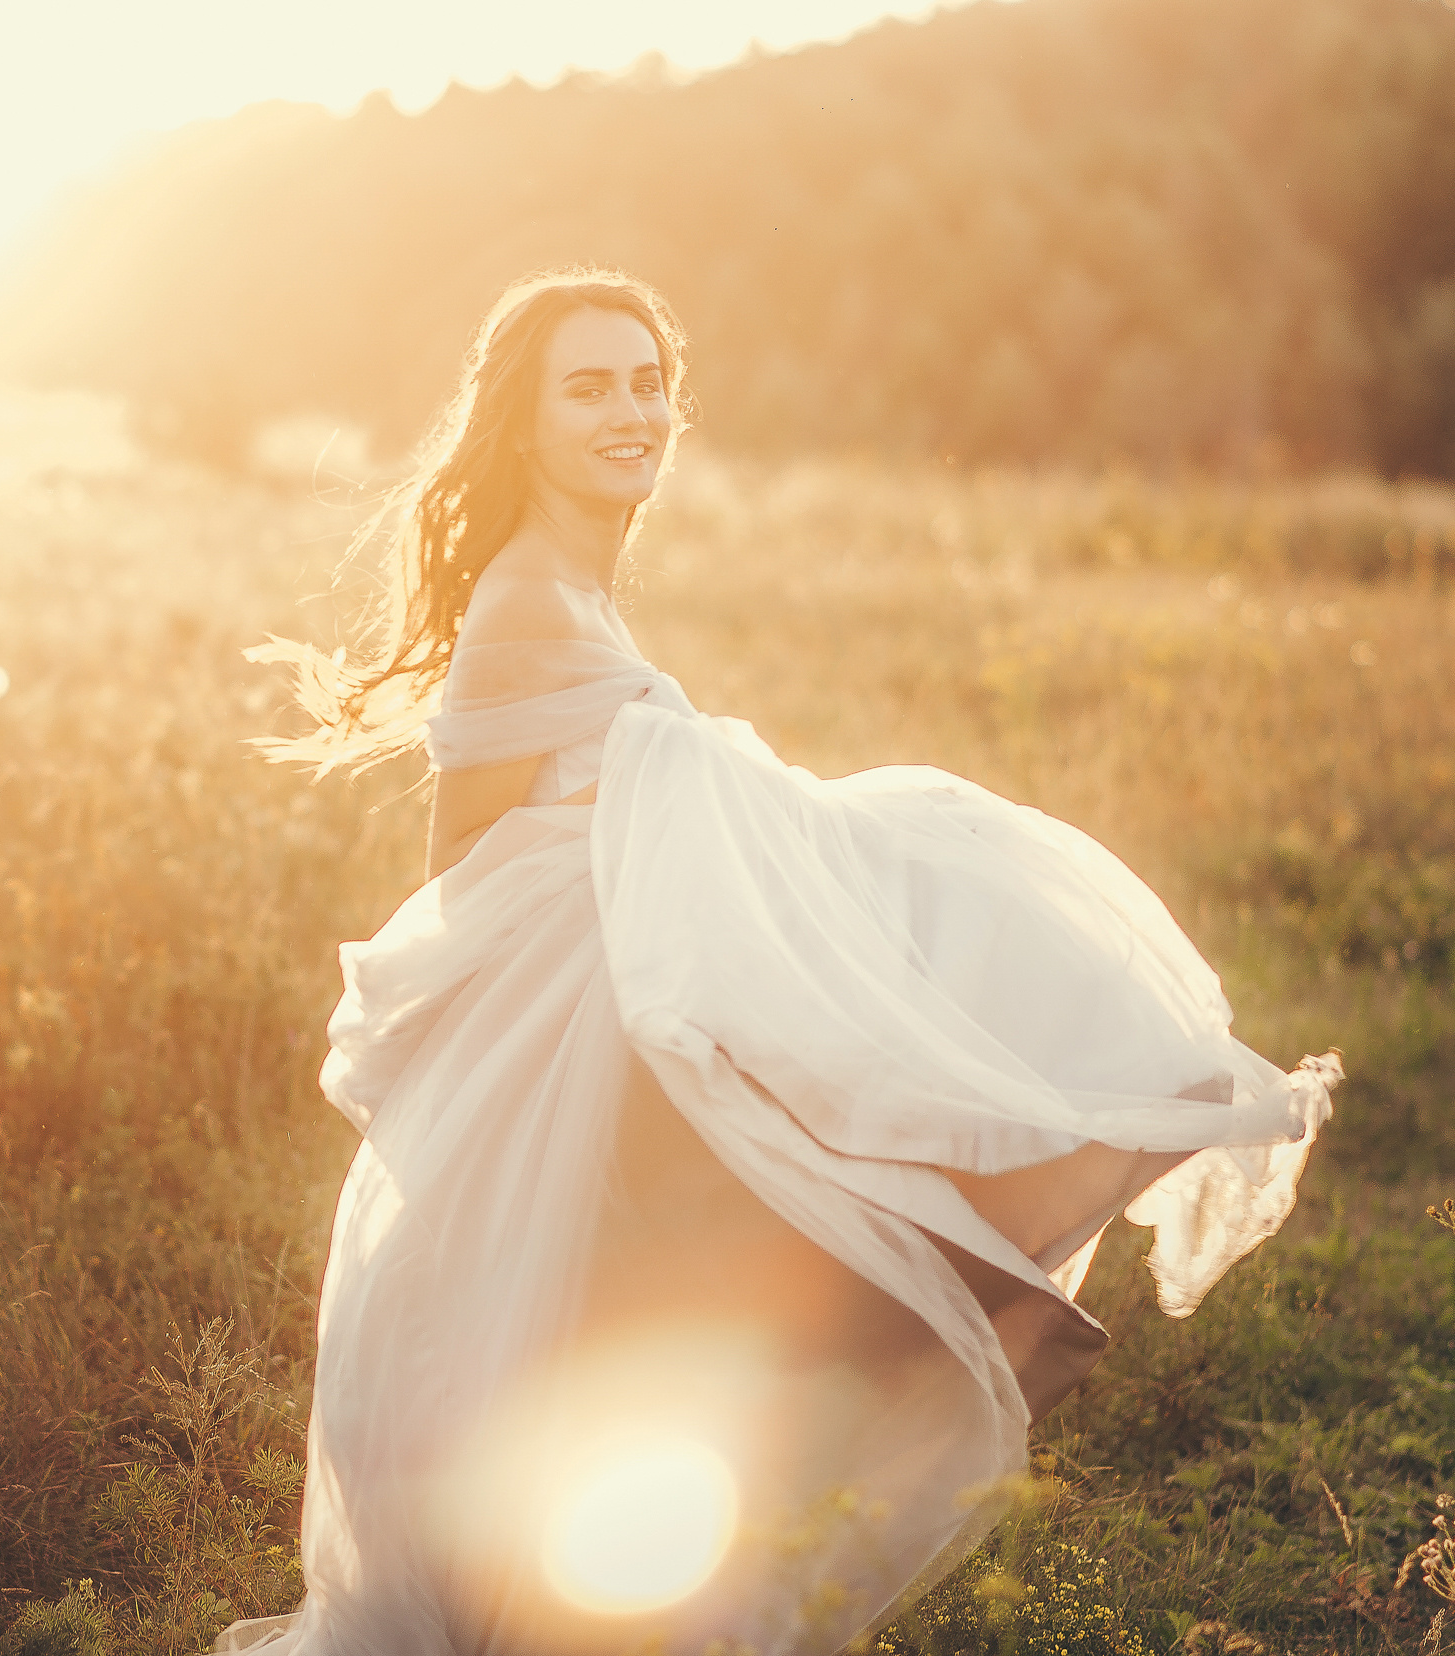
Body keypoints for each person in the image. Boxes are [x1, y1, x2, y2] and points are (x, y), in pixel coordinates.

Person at [227, 267, 1340, 1656]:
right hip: (573, 1041)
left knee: (707, 1317)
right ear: (518, 424)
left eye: (647, 384)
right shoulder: (525, 605)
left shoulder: (577, 590)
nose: (630, 411)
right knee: (709, 1297)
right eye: (589, 386)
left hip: (623, 1022)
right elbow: (462, 878)